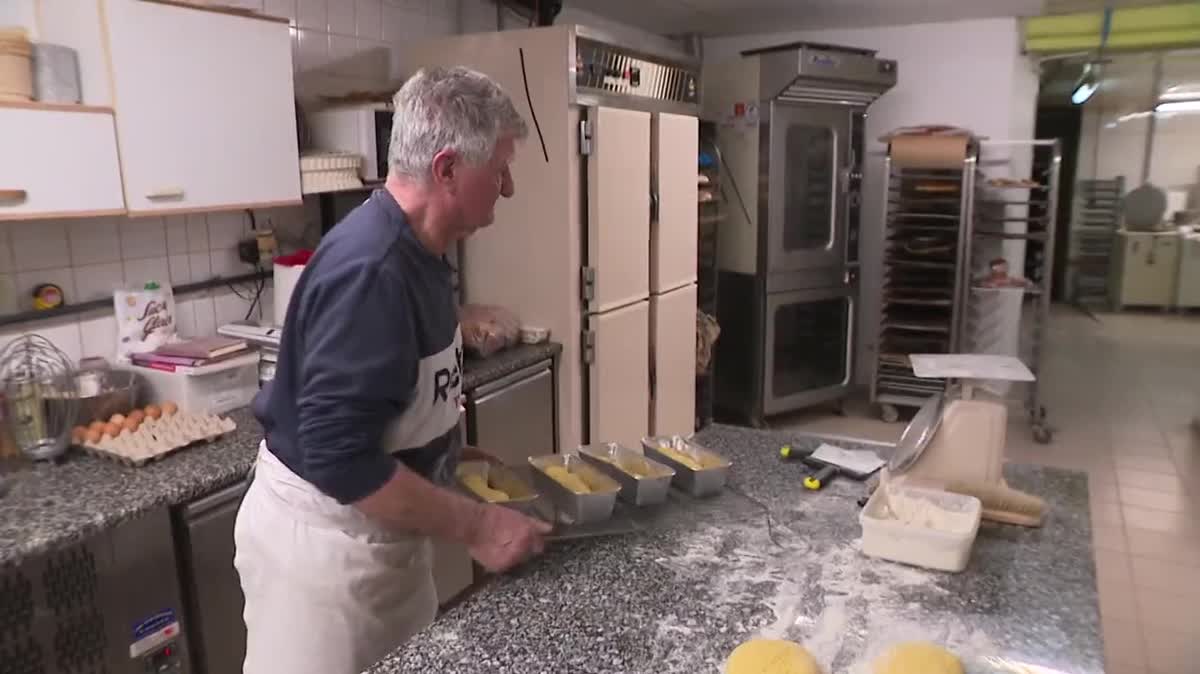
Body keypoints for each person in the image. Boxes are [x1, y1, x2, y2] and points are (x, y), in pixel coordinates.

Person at [234, 66, 552, 674]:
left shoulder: (425, 254)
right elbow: (339, 456)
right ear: (449, 168)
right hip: (325, 560)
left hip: (383, 546)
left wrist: (445, 454)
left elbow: (391, 401)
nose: (508, 188)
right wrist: (479, 525)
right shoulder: (370, 270)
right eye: (500, 169)